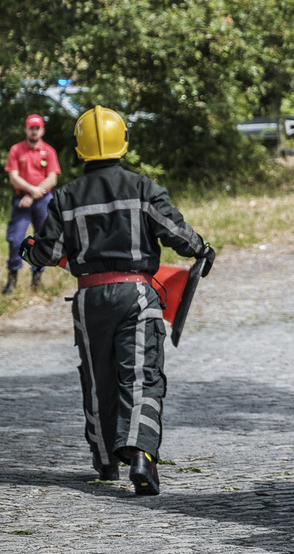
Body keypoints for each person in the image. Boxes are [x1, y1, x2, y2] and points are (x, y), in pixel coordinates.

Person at [21, 106, 216, 494]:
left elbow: (47, 251)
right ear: (123, 143)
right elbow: (179, 235)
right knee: (142, 375)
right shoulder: (144, 188)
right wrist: (202, 249)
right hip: (137, 296)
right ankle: (142, 456)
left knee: (98, 379)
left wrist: (30, 252)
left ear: (79, 149)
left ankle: (106, 460)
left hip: (89, 298)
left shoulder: (65, 197)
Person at [4, 114, 60, 294]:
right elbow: (13, 176)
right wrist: (30, 191)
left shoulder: (49, 151)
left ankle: (36, 281)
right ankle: (12, 280)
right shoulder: (16, 150)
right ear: (26, 129)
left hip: (42, 200)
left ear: (42, 130)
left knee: (41, 239)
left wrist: (34, 194)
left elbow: (52, 178)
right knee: (15, 239)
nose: (34, 131)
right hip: (22, 200)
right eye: (31, 128)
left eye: (37, 128)